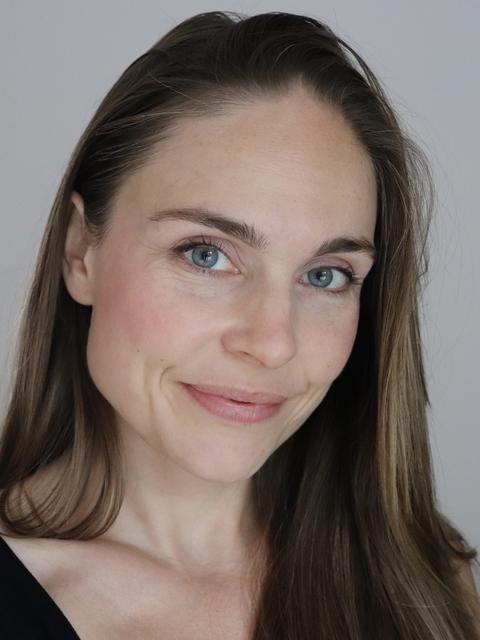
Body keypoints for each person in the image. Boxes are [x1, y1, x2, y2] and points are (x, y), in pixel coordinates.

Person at [0, 9, 478, 639]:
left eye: (325, 275)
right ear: (79, 252)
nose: (273, 342)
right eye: (207, 254)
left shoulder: (431, 586)